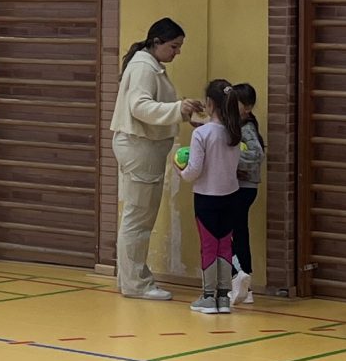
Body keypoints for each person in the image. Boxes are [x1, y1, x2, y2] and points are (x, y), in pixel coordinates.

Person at [110, 18, 196, 301]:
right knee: (138, 219)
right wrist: (177, 109)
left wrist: (181, 111)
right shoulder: (144, 68)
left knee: (137, 217)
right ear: (157, 42)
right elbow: (140, 107)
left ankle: (129, 279)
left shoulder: (148, 64)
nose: (177, 52)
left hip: (142, 147)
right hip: (140, 148)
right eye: (174, 46)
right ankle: (137, 284)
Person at [179, 78, 264, 313]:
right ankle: (224, 298)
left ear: (209, 103)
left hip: (207, 198)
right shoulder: (234, 132)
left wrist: (181, 172)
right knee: (225, 246)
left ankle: (208, 297)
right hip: (231, 196)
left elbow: (194, 170)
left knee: (209, 246)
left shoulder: (202, 134)